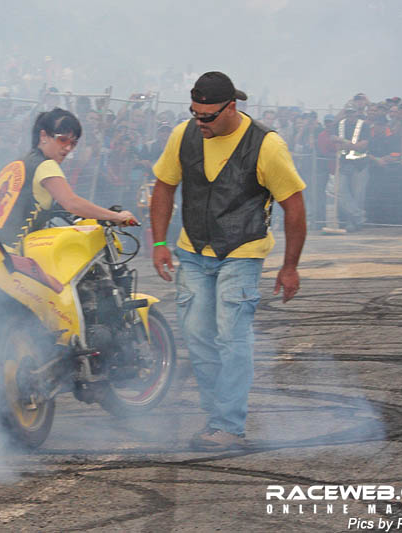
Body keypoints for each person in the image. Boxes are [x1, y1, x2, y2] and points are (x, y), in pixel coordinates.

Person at [149, 72, 307, 451]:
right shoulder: (183, 136)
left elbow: (294, 207)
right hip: (193, 251)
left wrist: (289, 266)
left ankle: (228, 425)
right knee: (199, 338)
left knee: (231, 338)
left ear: (231, 107)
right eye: (194, 114)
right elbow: (164, 187)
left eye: (207, 116)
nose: (199, 123)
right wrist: (158, 241)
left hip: (243, 252)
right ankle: (215, 416)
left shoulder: (267, 146)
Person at [0, 107, 136, 250]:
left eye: (73, 143)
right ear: (43, 135)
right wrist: (116, 216)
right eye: (63, 139)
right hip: (9, 254)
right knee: (59, 282)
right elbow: (72, 203)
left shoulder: (13, 166)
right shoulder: (46, 165)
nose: (68, 148)